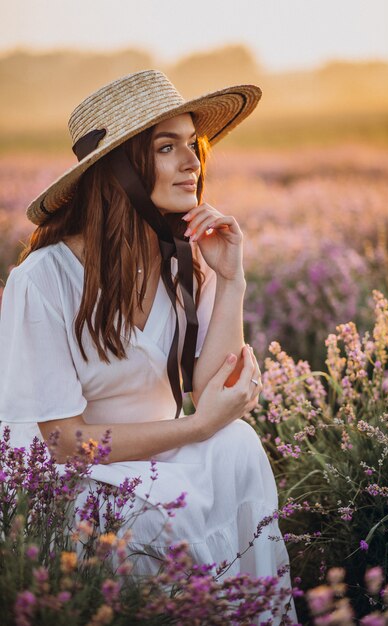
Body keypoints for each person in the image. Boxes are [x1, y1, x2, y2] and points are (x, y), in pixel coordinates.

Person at [0, 70, 296, 623]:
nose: (193, 162)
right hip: (68, 482)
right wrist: (198, 427)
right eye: (167, 147)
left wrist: (231, 280)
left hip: (157, 453)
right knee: (168, 511)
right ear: (118, 170)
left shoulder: (182, 261)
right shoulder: (43, 279)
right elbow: (64, 444)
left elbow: (214, 391)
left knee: (238, 447)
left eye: (193, 144)